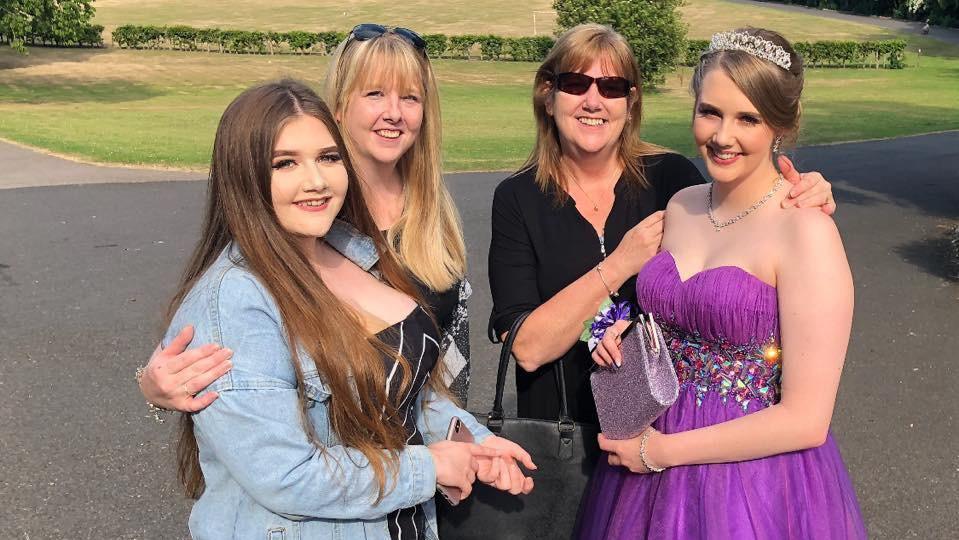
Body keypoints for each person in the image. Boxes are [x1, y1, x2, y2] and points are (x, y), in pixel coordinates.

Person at [165, 79, 533, 539]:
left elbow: (405, 390)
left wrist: (475, 443)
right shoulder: (237, 300)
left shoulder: (354, 250)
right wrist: (429, 468)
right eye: (285, 164)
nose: (315, 181)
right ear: (243, 176)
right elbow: (287, 475)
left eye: (328, 157)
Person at [577, 29, 867, 538]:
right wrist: (622, 331)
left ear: (782, 124)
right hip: (647, 456)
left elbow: (806, 419)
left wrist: (661, 452)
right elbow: (671, 323)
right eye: (710, 111)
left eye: (747, 118)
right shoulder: (682, 205)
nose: (722, 135)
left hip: (750, 478)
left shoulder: (807, 230)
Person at [488, 23, 837, 426]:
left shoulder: (671, 180)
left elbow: (744, 225)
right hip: (559, 434)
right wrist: (620, 265)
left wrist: (804, 195)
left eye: (612, 87)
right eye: (575, 83)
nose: (593, 101)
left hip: (663, 433)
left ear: (631, 102)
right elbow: (528, 348)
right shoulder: (517, 198)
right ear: (548, 97)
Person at [138, 24, 473, 413]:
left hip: (438, 434)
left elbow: (453, 340)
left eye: (410, 98)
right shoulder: (310, 208)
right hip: (349, 454)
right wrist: (150, 382)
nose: (394, 113)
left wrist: (464, 434)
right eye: (375, 94)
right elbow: (220, 309)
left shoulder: (432, 209)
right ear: (339, 108)